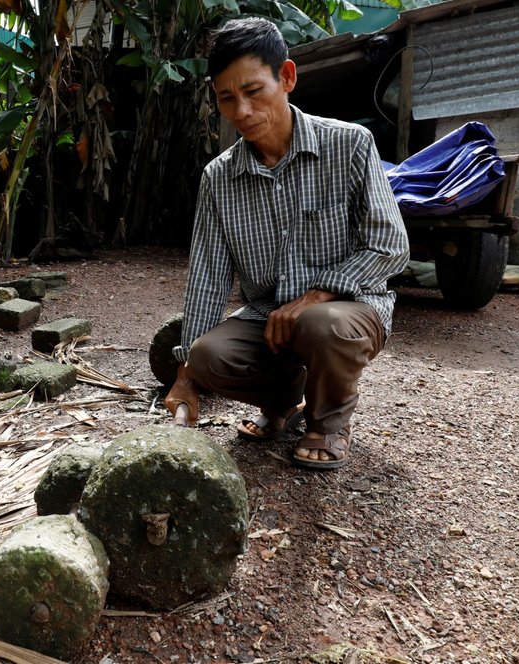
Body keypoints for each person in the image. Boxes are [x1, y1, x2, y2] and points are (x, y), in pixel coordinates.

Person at [164, 17, 409, 470]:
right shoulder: (219, 178)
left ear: (288, 78)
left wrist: (319, 294)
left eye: (253, 91)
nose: (241, 111)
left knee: (322, 324)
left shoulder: (350, 145)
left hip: (349, 310)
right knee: (207, 356)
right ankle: (281, 405)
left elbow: (390, 244)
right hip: (266, 318)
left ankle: (327, 425)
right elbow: (207, 278)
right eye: (226, 98)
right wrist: (186, 373)